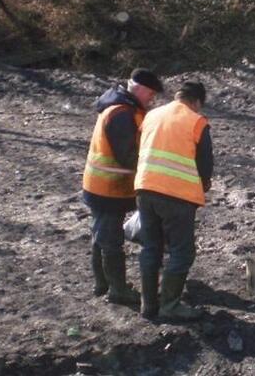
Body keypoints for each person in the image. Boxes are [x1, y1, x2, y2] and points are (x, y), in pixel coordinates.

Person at [83, 68, 163, 304]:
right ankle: (117, 290)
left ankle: (102, 283)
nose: (152, 99)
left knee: (101, 236)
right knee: (110, 240)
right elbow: (127, 156)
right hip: (107, 188)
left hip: (104, 187)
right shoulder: (121, 114)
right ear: (140, 89)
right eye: (151, 94)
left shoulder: (122, 109)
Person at [135, 82, 213, 321]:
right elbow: (205, 165)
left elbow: (140, 147)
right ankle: (170, 305)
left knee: (151, 247)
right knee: (182, 251)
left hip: (145, 188)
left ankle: (148, 305)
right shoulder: (197, 122)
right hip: (177, 196)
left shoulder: (151, 115)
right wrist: (203, 186)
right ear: (197, 102)